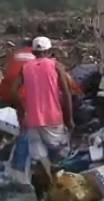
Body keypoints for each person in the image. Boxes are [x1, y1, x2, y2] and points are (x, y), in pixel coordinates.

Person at [11, 37, 74, 182]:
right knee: (60, 155)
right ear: (50, 51)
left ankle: (46, 186)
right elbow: (66, 93)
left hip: (32, 121)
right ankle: (58, 184)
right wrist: (69, 119)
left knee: (40, 157)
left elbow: (13, 91)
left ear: (33, 52)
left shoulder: (25, 68)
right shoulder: (56, 66)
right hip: (53, 119)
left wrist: (23, 111)